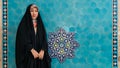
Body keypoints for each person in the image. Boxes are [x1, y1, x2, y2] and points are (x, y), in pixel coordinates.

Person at [15, 4, 51, 68]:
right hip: (29, 57)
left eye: (36, 11)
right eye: (31, 11)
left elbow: (44, 38)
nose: (34, 13)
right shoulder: (23, 25)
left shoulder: (40, 24)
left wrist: (42, 50)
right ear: (28, 12)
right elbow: (22, 40)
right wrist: (31, 50)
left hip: (40, 56)